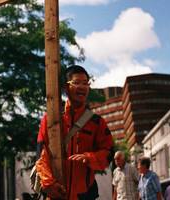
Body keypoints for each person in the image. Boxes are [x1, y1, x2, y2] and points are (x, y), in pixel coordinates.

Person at [35, 65, 114, 200]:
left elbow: (109, 153)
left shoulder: (96, 122)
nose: (82, 87)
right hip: (56, 194)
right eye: (77, 83)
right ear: (66, 87)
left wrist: (90, 158)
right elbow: (41, 155)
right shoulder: (50, 119)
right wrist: (48, 184)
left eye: (85, 83)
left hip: (84, 196)